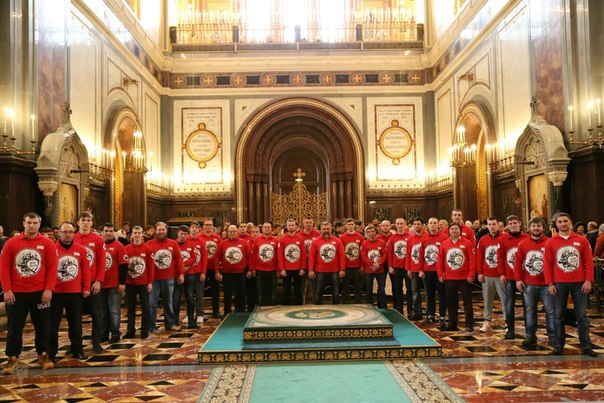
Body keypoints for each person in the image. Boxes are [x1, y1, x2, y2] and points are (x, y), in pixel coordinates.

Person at [1, 212, 58, 375]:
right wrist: (7, 289)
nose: (31, 225)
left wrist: (49, 289)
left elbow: (53, 268)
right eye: (29, 222)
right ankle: (12, 358)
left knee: (43, 326)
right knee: (14, 327)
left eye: (34, 223)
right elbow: (4, 267)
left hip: (40, 293)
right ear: (23, 223)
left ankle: (43, 355)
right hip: (16, 293)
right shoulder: (11, 243)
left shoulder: (47, 243)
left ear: (39, 224)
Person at [544, 213, 597, 356]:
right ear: (557, 224)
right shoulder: (551, 242)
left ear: (570, 222)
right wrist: (550, 283)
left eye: (565, 221)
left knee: (581, 315)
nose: (563, 224)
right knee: (558, 315)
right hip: (559, 283)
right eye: (560, 222)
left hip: (579, 283)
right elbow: (547, 265)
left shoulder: (581, 240)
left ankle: (586, 345)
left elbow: (588, 262)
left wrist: (588, 280)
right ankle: (558, 344)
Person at [50, 222, 91, 361]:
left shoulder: (80, 249)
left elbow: (86, 270)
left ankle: (77, 350)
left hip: (74, 292)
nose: (68, 234)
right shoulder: (51, 248)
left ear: (74, 233)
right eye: (65, 232)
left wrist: (86, 288)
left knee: (76, 323)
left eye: (70, 232)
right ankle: (51, 353)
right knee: (53, 324)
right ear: (59, 233)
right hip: (55, 293)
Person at [514, 217, 555, 347]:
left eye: (538, 226)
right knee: (530, 310)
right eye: (533, 226)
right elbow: (517, 263)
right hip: (529, 283)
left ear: (543, 228)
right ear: (529, 228)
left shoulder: (550, 242)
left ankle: (553, 336)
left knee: (550, 310)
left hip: (546, 284)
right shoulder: (523, 243)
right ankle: (530, 335)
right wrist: (518, 279)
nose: (536, 228)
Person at [73, 211, 107, 353]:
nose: (85, 222)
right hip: (75, 283)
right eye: (83, 220)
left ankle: (96, 342)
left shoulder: (98, 239)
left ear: (92, 223)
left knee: (96, 314)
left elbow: (102, 261)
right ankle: (76, 344)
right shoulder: (72, 237)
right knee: (74, 315)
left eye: (88, 220)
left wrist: (99, 280)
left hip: (93, 282)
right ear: (78, 222)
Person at [437, 222, 476, 332]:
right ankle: (452, 323)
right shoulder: (444, 244)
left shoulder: (467, 243)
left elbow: (473, 261)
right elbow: (440, 261)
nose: (454, 230)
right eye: (452, 229)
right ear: (449, 231)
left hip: (465, 278)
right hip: (450, 278)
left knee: (467, 302)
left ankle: (469, 324)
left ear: (460, 231)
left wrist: (471, 275)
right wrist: (440, 274)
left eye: (456, 229)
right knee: (451, 302)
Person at [147, 222, 185, 332]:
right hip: (153, 279)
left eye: (163, 229)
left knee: (168, 302)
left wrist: (181, 274)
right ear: (155, 231)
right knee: (152, 303)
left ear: (166, 230)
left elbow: (178, 260)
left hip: (169, 277)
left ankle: (170, 324)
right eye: (159, 230)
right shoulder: (149, 243)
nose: (161, 231)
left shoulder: (173, 244)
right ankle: (151, 326)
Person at [499, 215, 529, 339]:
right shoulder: (503, 239)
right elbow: (500, 257)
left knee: (527, 304)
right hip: (510, 276)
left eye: (515, 223)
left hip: (526, 276)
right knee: (509, 303)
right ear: (507, 226)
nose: (513, 225)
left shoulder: (527, 238)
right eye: (510, 223)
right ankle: (510, 330)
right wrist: (501, 274)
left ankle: (529, 330)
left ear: (520, 224)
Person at [476, 217, 506, 333]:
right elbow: (479, 257)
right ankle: (487, 321)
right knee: (487, 299)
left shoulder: (504, 238)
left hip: (501, 275)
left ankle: (507, 322)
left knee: (505, 299)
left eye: (494, 224)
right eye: (489, 224)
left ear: (498, 225)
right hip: (487, 274)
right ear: (487, 226)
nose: (492, 226)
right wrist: (479, 272)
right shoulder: (483, 240)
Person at [100, 223, 128, 344]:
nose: (108, 233)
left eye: (111, 231)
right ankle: (103, 334)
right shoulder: (98, 245)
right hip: (100, 284)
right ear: (102, 232)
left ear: (114, 232)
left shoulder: (119, 246)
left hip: (114, 285)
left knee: (114, 311)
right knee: (102, 311)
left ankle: (115, 333)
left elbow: (123, 266)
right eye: (106, 231)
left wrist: (122, 283)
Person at [124, 226, 154, 339]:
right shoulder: (126, 248)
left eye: (139, 233)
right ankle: (130, 330)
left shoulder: (148, 248)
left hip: (144, 282)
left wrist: (150, 282)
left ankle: (144, 330)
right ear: (131, 235)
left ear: (142, 235)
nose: (137, 235)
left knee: (145, 307)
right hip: (130, 282)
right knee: (130, 307)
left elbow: (151, 267)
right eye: (135, 233)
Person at [215, 225, 251, 314]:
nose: (232, 233)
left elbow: (249, 257)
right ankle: (227, 311)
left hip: (241, 272)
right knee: (227, 293)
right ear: (228, 233)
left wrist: (250, 269)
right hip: (227, 273)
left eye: (234, 231)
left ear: (237, 232)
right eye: (230, 232)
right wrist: (217, 271)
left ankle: (241, 310)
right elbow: (216, 258)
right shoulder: (222, 243)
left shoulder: (244, 243)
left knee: (241, 292)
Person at [418, 217, 448, 325]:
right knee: (429, 294)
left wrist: (445, 271)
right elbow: (421, 255)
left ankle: (442, 316)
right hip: (427, 270)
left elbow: (446, 255)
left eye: (435, 223)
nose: (433, 225)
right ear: (427, 225)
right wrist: (420, 270)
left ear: (438, 225)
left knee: (442, 294)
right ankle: (430, 315)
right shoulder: (424, 238)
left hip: (440, 271)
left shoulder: (444, 238)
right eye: (430, 223)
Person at [308, 222, 346, 305]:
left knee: (336, 292)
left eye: (328, 229)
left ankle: (336, 310)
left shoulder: (337, 241)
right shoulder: (315, 242)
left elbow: (342, 256)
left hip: (334, 270)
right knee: (318, 291)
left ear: (331, 229)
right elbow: (312, 257)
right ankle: (317, 309)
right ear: (320, 230)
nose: (326, 230)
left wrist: (342, 269)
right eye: (324, 229)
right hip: (320, 271)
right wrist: (310, 270)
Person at [174, 225, 200, 328]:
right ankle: (175, 320)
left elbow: (194, 258)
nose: (183, 236)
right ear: (178, 233)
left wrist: (184, 264)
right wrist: (181, 266)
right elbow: (172, 259)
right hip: (176, 275)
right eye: (181, 234)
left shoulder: (191, 245)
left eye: (185, 234)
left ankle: (191, 320)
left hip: (189, 274)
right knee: (176, 298)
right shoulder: (173, 244)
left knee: (189, 297)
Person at [277, 218, 306, 305]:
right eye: (289, 225)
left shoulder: (300, 238)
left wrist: (303, 268)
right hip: (286, 269)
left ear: (296, 227)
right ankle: (286, 304)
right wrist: (281, 269)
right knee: (287, 288)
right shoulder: (282, 239)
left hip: (298, 269)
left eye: (293, 225)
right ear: (286, 226)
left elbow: (303, 254)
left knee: (298, 288)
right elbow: (280, 255)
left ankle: (298, 304)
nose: (291, 227)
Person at [388, 218, 413, 316]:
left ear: (405, 224)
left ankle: (410, 309)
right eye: (398, 223)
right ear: (395, 225)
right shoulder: (392, 238)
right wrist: (390, 266)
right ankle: (398, 309)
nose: (400, 225)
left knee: (409, 289)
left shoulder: (410, 237)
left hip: (407, 267)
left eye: (401, 223)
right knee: (397, 288)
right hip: (396, 267)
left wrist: (410, 267)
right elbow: (390, 253)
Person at [185, 221, 208, 327]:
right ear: (189, 229)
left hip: (198, 272)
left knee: (199, 294)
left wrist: (203, 272)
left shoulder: (202, 241)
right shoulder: (185, 240)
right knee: (188, 294)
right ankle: (188, 314)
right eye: (192, 227)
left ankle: (200, 313)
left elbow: (204, 258)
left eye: (196, 227)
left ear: (199, 230)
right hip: (188, 272)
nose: (194, 229)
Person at [252, 222, 279, 306]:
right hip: (260, 270)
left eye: (268, 227)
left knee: (272, 291)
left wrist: (279, 269)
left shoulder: (276, 240)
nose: (267, 228)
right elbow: (253, 255)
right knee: (261, 291)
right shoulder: (257, 240)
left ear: (271, 229)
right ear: (262, 229)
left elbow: (278, 256)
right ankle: (261, 308)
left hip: (272, 270)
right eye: (265, 227)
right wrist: (253, 269)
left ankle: (272, 308)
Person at [405, 217, 427, 321]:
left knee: (428, 292)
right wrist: (408, 269)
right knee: (415, 291)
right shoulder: (410, 238)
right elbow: (408, 254)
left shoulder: (427, 237)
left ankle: (429, 312)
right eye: (415, 224)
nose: (416, 226)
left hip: (426, 269)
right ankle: (418, 312)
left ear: (423, 225)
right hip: (413, 268)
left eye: (418, 224)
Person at [200, 218, 222, 318]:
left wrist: (219, 270)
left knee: (215, 291)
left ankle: (216, 311)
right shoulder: (199, 237)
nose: (208, 226)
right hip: (202, 269)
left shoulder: (217, 238)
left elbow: (221, 253)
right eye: (206, 224)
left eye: (210, 224)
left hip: (214, 268)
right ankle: (200, 312)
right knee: (200, 291)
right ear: (203, 226)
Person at [361, 225, 387, 308]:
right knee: (368, 289)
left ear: (376, 232)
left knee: (381, 289)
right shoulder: (364, 244)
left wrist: (378, 264)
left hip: (380, 270)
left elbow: (385, 255)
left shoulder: (382, 242)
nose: (371, 233)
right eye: (369, 232)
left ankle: (382, 306)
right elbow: (364, 256)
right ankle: (370, 306)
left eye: (372, 231)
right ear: (366, 234)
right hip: (369, 270)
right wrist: (372, 264)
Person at [339, 218, 365, 304]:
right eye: (348, 225)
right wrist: (342, 267)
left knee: (357, 285)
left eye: (352, 224)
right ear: (345, 226)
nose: (350, 226)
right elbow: (341, 253)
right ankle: (346, 301)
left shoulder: (360, 237)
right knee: (345, 285)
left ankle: (358, 301)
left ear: (354, 225)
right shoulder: (342, 238)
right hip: (346, 266)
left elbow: (362, 253)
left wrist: (362, 265)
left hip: (357, 266)